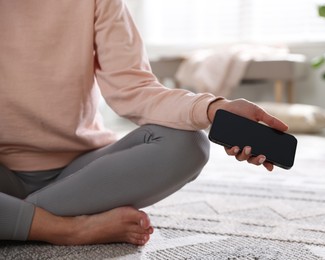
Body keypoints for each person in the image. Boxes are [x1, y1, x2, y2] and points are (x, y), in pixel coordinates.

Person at [0, 0, 288, 246]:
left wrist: (215, 109)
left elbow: (133, 89)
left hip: (82, 172)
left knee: (189, 143)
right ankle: (66, 228)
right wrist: (67, 229)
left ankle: (16, 220)